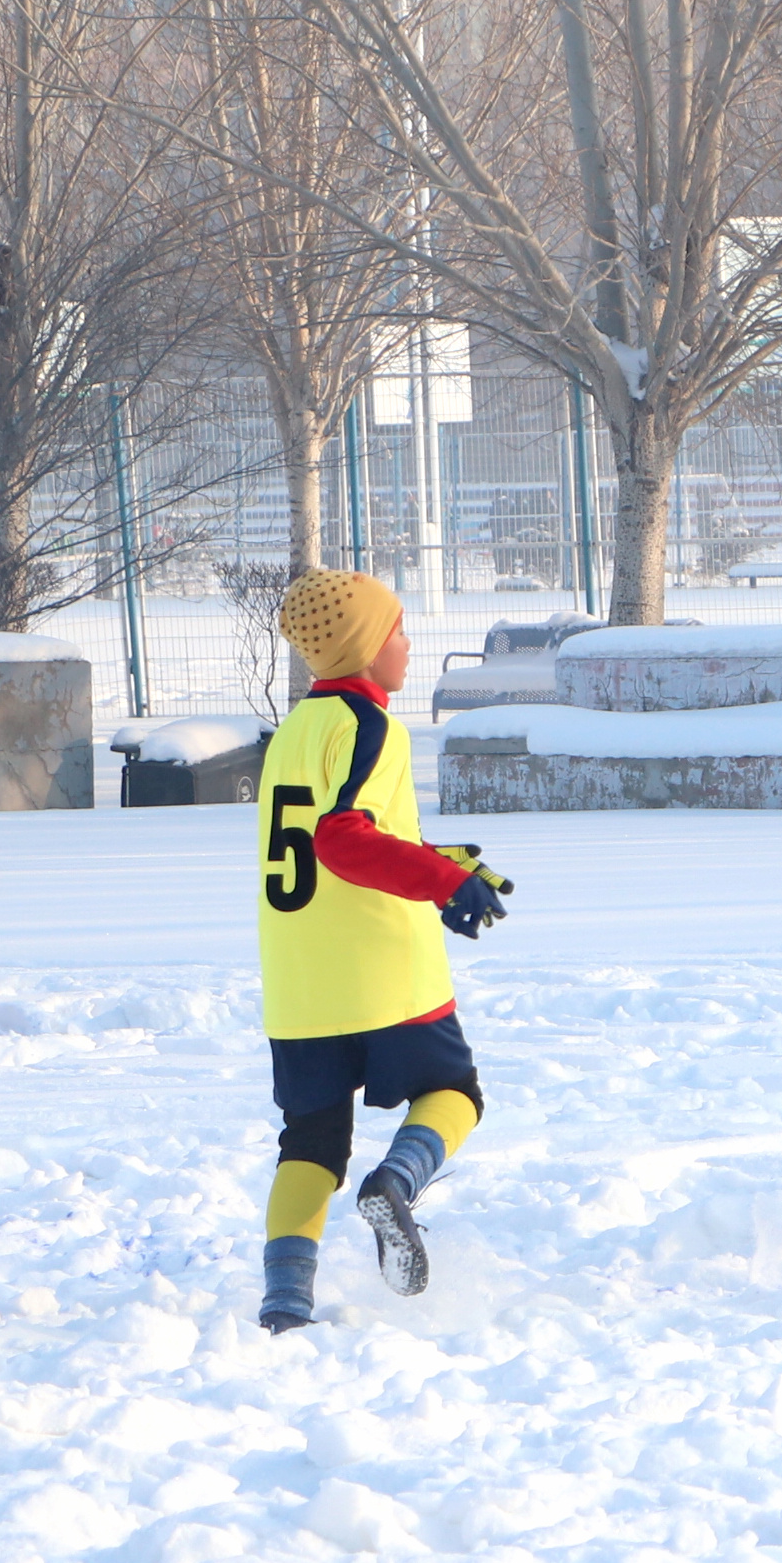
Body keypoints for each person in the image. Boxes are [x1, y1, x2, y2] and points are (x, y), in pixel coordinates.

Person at [253, 570, 519, 1333]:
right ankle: (397, 1182)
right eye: (400, 630)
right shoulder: (372, 726)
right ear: (367, 648)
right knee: (456, 1093)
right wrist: (441, 882)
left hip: (302, 981)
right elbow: (344, 840)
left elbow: (342, 831)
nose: (409, 644)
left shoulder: (292, 734)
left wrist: (445, 859)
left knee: (310, 1140)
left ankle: (284, 1304)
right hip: (381, 972)